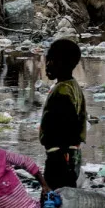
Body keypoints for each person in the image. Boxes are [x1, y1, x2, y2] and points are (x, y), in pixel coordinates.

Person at [39, 39, 88, 191]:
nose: (47, 65)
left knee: (54, 197)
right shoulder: (73, 86)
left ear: (62, 63)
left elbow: (66, 127)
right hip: (70, 156)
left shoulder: (62, 92)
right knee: (66, 196)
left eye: (51, 61)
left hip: (59, 158)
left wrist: (60, 156)